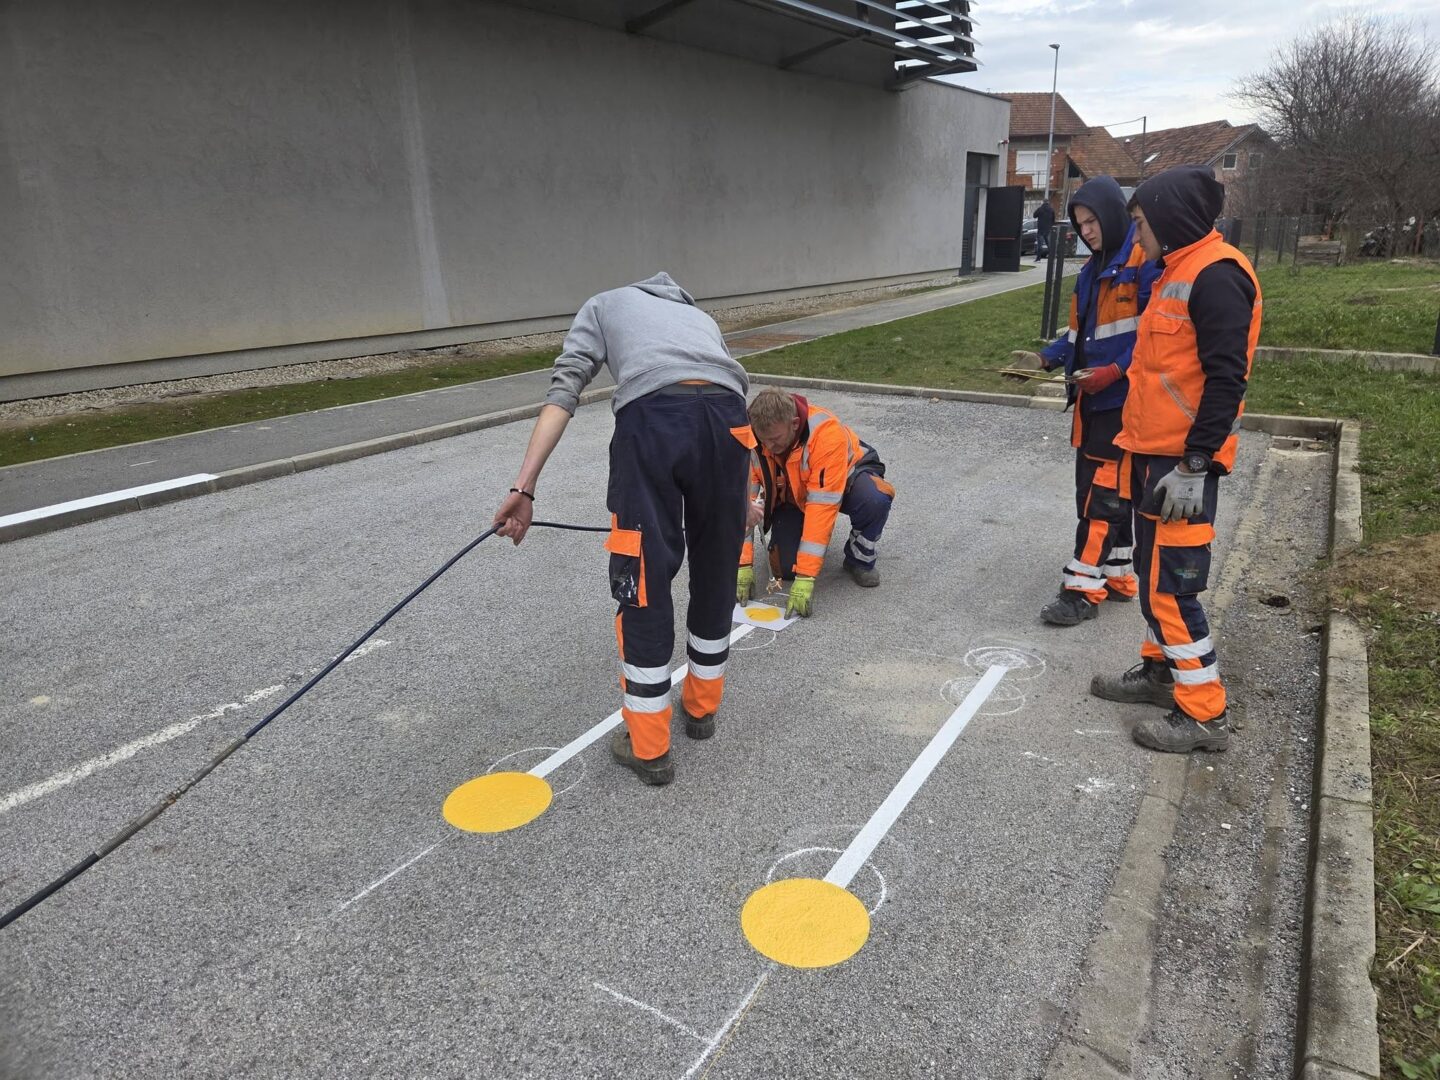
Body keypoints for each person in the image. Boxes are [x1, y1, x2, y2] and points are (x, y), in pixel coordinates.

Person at [492, 272, 754, 787]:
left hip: (654, 420)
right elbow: (722, 387)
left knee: (644, 579)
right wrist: (741, 496)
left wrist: (524, 487)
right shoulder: (698, 316)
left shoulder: (603, 304)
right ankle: (701, 710)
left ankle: (649, 747)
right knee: (717, 568)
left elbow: (565, 389)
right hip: (730, 423)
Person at [1090, 165, 1263, 753]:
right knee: (1151, 576)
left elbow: (1227, 380)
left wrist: (1196, 463)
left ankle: (1204, 713)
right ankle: (1161, 673)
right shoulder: (1176, 270)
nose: (1136, 236)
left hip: (1180, 465)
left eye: (1141, 223)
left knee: (1172, 589)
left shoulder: (1216, 275)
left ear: (1169, 218)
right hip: (1153, 455)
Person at [1031, 176, 1161, 627]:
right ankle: (1119, 575)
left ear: (1110, 214)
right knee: (1106, 492)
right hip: (1092, 404)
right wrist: (1045, 358)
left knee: (1100, 497)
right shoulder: (1091, 271)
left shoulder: (1143, 263)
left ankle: (1081, 590)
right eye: (1079, 224)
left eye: (1091, 221)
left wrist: (1115, 371)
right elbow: (1078, 335)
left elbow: (1154, 336)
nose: (1085, 231)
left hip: (1123, 405)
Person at [738, 387, 894, 618]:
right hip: (792, 494)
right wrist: (742, 564)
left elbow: (822, 506)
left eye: (775, 439)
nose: (769, 447)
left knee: (874, 498)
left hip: (844, 480)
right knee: (786, 568)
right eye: (764, 440)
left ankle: (859, 557)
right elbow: (744, 503)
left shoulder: (826, 435)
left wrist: (806, 577)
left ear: (794, 424)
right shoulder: (751, 438)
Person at [1034, 196, 1057, 261]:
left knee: (1040, 244)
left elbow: (1034, 215)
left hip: (1041, 229)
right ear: (1048, 202)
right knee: (1048, 243)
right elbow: (1053, 219)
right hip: (1048, 229)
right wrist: (1050, 225)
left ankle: (1038, 258)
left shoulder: (1040, 209)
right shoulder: (1051, 210)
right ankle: (1052, 256)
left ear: (1043, 202)